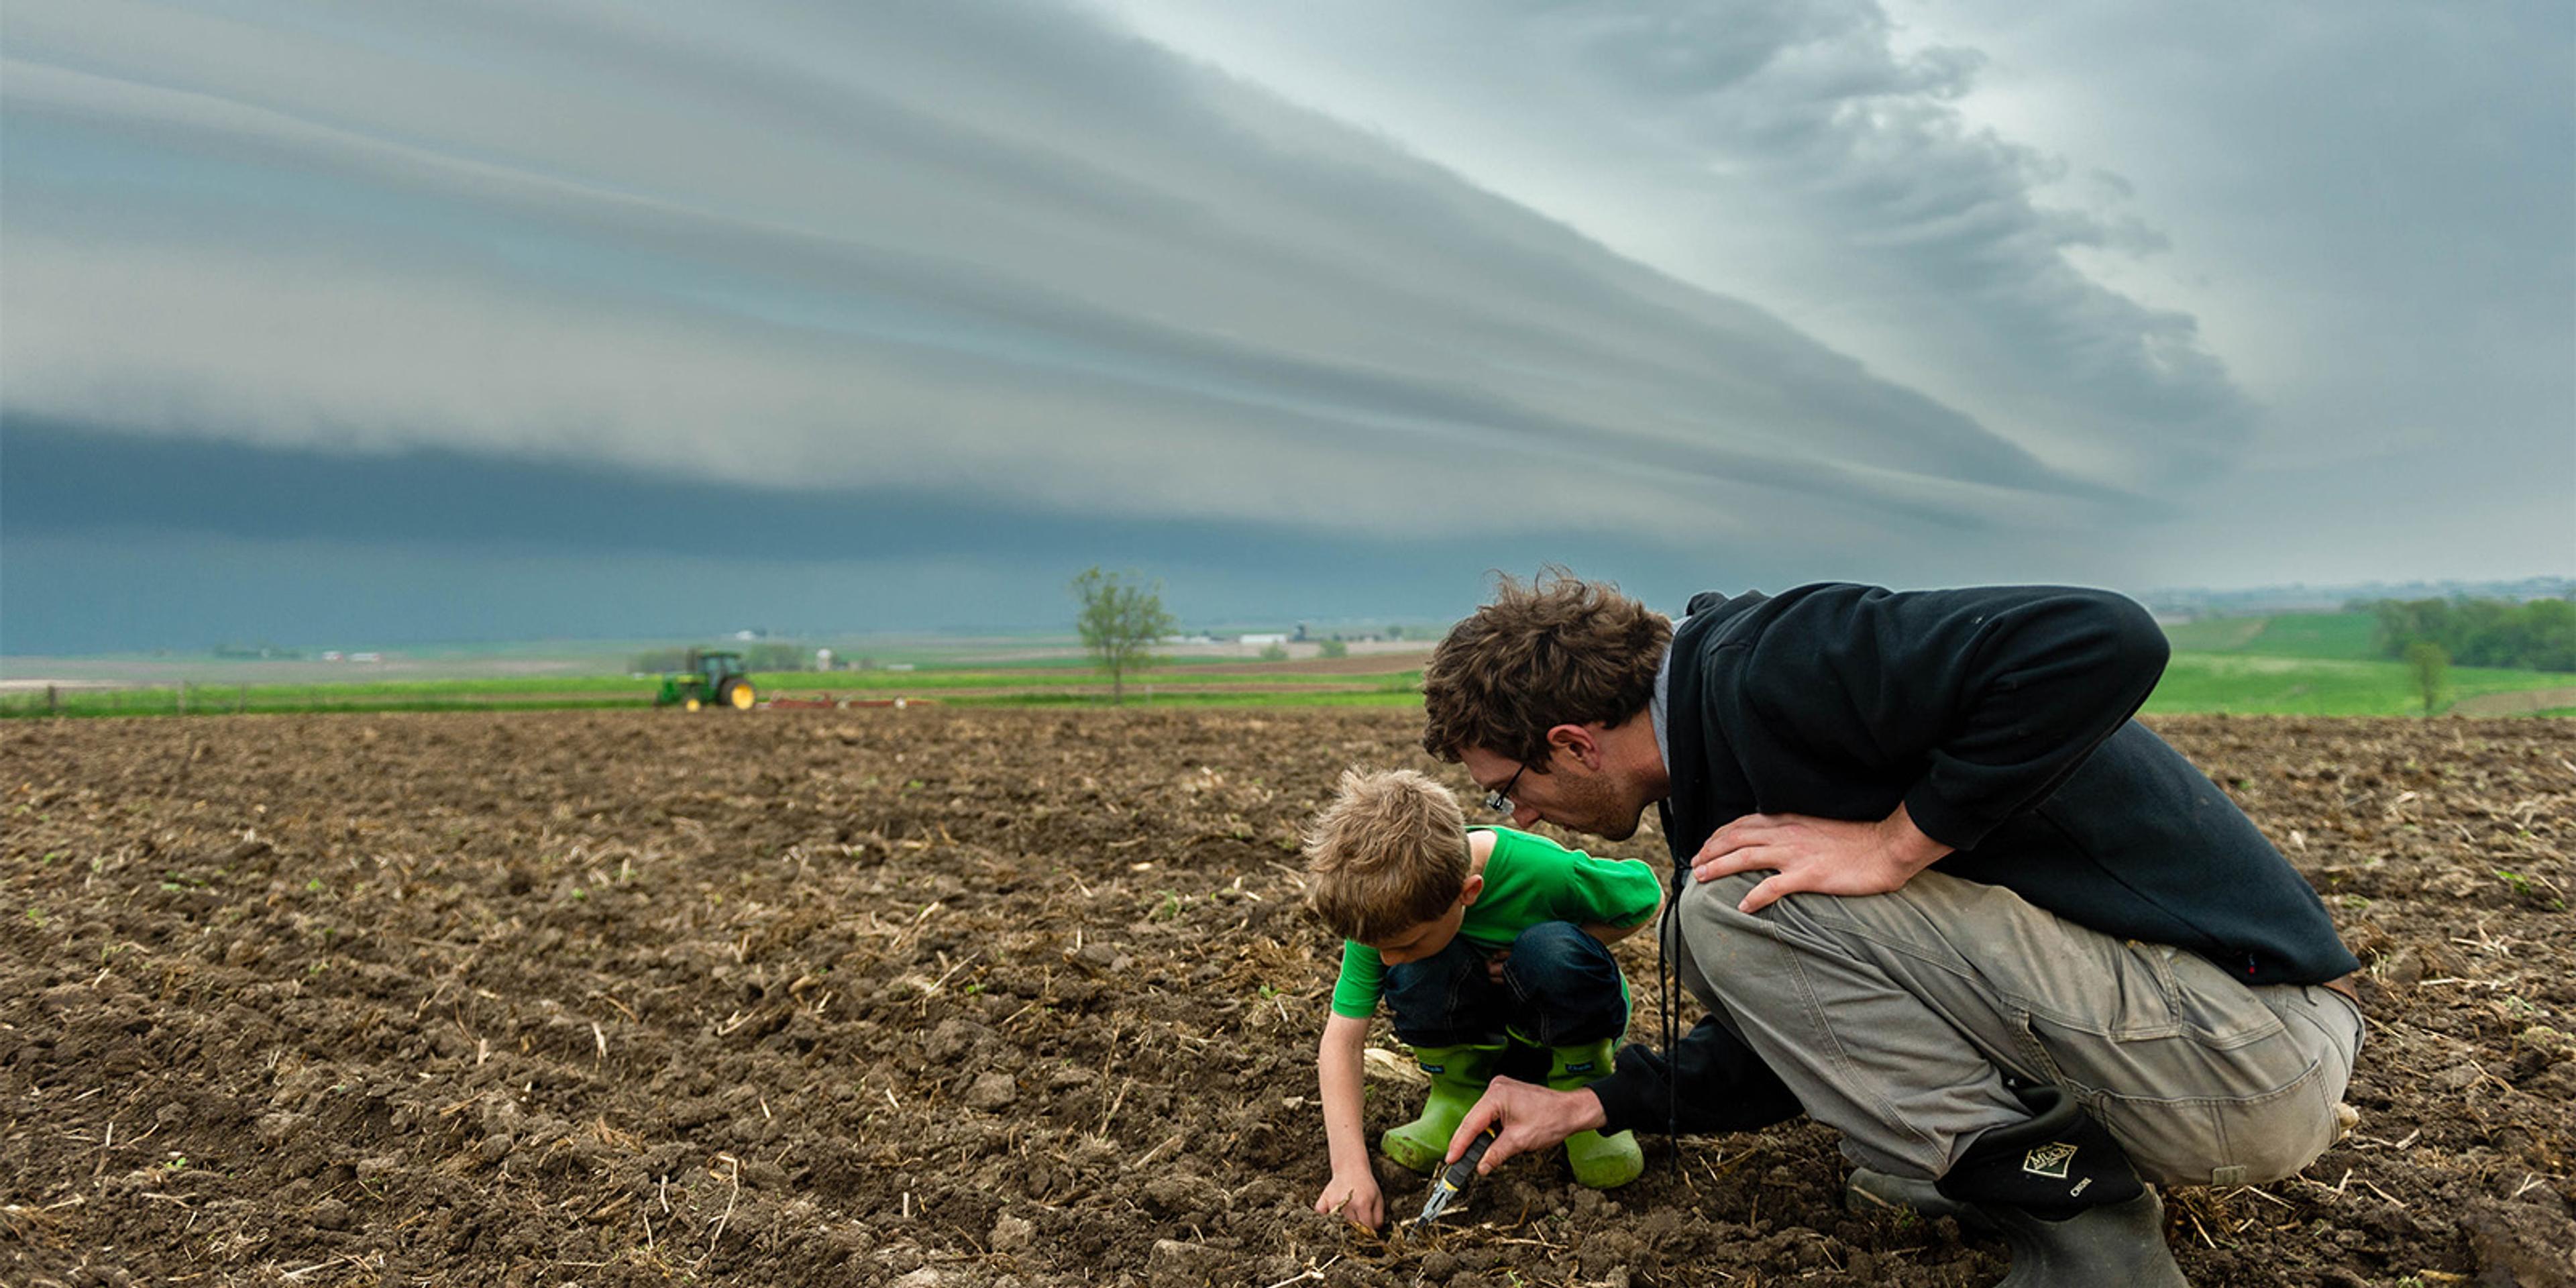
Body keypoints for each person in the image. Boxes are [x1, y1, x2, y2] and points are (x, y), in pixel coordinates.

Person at [1420, 575, 2363, 1286]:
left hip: (2243, 1048)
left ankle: (2091, 1238)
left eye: (1513, 788)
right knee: (1730, 911)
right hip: (2182, 1042)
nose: (1524, 817)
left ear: (1576, 742)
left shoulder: (1775, 664)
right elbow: (1806, 1033)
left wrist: (1895, 844)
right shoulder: (1714, 747)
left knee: (1724, 910)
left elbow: (2103, 638)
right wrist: (1600, 1102)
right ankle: (1987, 1164)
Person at [1303, 767, 1664, 1228]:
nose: (1388, 959)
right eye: (1381, 948)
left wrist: (1569, 940)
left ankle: (1584, 1096)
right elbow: (1342, 1039)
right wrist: (1349, 1168)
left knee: (1550, 950)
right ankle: (1456, 1096)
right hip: (1478, 1039)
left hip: (1559, 1033)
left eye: (1407, 942)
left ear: (1468, 893)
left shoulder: (1542, 871)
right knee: (1418, 970)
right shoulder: (1381, 914)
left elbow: (1644, 895)